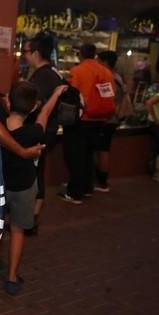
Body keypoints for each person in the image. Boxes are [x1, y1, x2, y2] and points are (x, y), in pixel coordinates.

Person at [2, 82, 66, 295]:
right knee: (18, 231)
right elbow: (46, 112)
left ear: (8, 101)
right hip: (24, 188)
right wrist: (56, 92)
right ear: (32, 108)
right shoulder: (34, 132)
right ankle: (11, 277)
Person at [60, 43, 115, 205]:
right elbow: (110, 93)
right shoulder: (106, 72)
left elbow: (73, 95)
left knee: (75, 155)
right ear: (95, 55)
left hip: (82, 119)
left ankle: (74, 192)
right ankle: (87, 188)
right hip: (100, 119)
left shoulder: (78, 71)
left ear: (81, 54)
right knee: (89, 155)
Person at [22, 33, 65, 232]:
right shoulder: (53, 73)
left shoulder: (42, 76)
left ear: (37, 53)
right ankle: (32, 215)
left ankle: (31, 218)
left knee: (33, 172)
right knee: (36, 170)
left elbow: (35, 104)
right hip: (48, 129)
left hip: (40, 130)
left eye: (27, 52)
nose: (24, 56)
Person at [94, 51, 130, 192]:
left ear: (105, 62)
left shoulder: (109, 78)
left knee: (103, 149)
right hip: (112, 118)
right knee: (104, 148)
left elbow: (107, 99)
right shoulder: (117, 77)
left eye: (99, 60)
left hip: (108, 119)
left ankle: (102, 182)